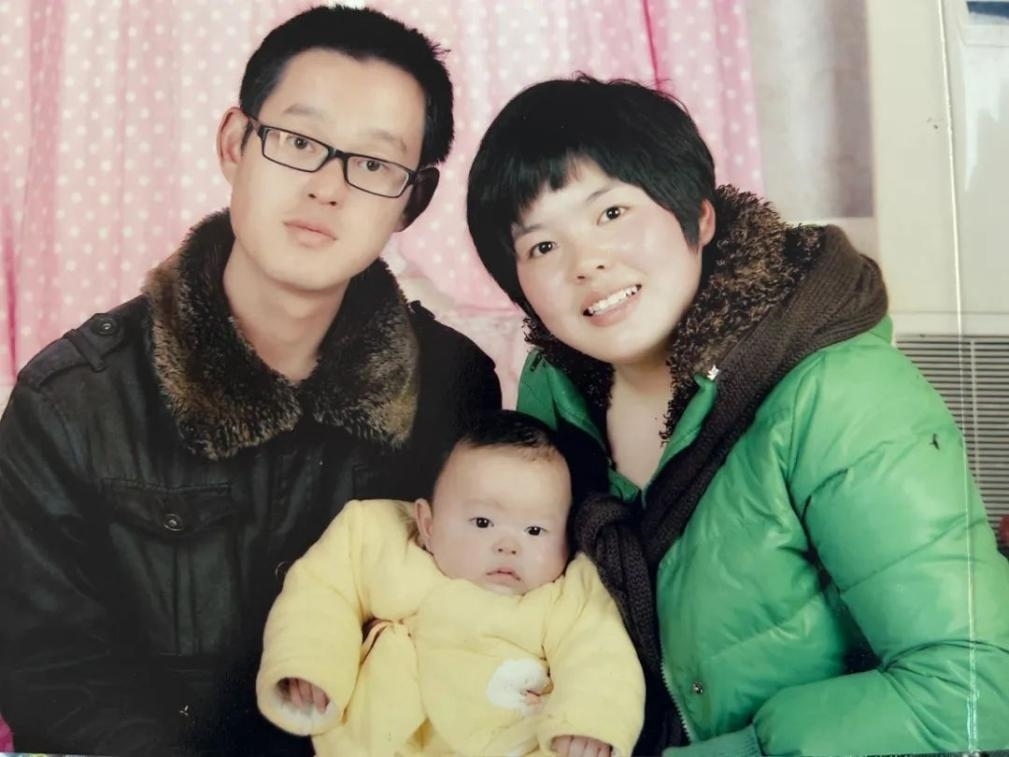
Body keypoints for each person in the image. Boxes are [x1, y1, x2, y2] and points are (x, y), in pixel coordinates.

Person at [0, 6, 500, 755]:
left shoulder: (455, 386)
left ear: (413, 199)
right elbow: (52, 669)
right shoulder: (72, 400)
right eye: (298, 142)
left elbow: (479, 628)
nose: (327, 188)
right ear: (235, 143)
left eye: (373, 164)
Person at [466, 75, 1009, 756]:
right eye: (542, 246)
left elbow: (978, 686)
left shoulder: (839, 392)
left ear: (698, 217)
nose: (587, 264)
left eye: (611, 213)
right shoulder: (553, 389)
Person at [255, 410, 644, 757]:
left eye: (535, 530)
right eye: (483, 522)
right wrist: (309, 665)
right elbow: (321, 593)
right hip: (378, 741)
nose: (509, 546)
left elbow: (600, 655)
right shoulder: (381, 540)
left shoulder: (567, 594)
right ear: (427, 524)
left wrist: (588, 724)